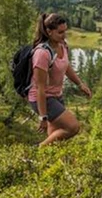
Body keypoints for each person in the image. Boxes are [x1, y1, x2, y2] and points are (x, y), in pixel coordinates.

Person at [29, 13, 91, 147]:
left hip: (57, 96)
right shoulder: (42, 54)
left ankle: (46, 160)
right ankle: (37, 149)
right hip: (43, 98)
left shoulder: (62, 45)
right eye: (60, 32)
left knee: (55, 136)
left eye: (65, 31)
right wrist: (43, 117)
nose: (64, 35)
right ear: (49, 31)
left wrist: (80, 84)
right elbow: (40, 88)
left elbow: (66, 65)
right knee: (72, 127)